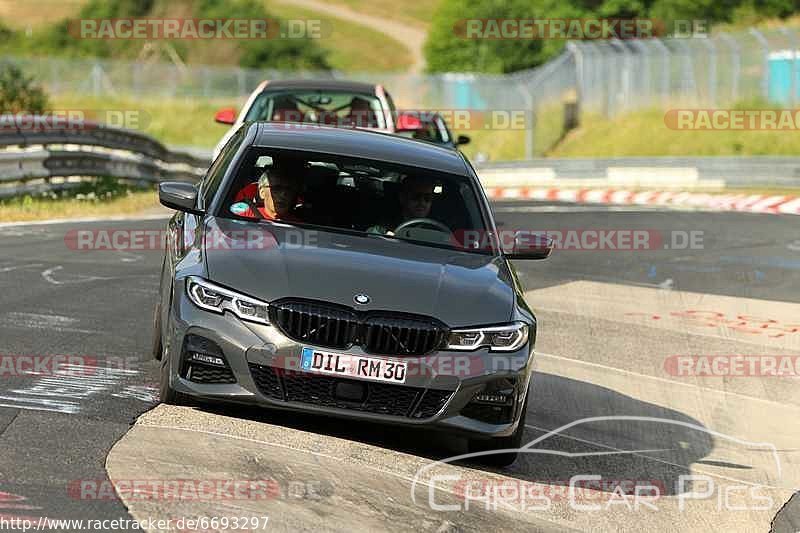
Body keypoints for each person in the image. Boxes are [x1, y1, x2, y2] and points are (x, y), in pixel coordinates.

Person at [367, 175, 436, 235]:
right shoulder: (386, 225)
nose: (422, 202)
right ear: (402, 198)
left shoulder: (437, 229)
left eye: (428, 198)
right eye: (416, 197)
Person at [231, 168, 303, 222]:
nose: (283, 194)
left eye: (289, 189)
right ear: (262, 192)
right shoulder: (244, 216)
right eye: (276, 188)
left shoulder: (298, 225)